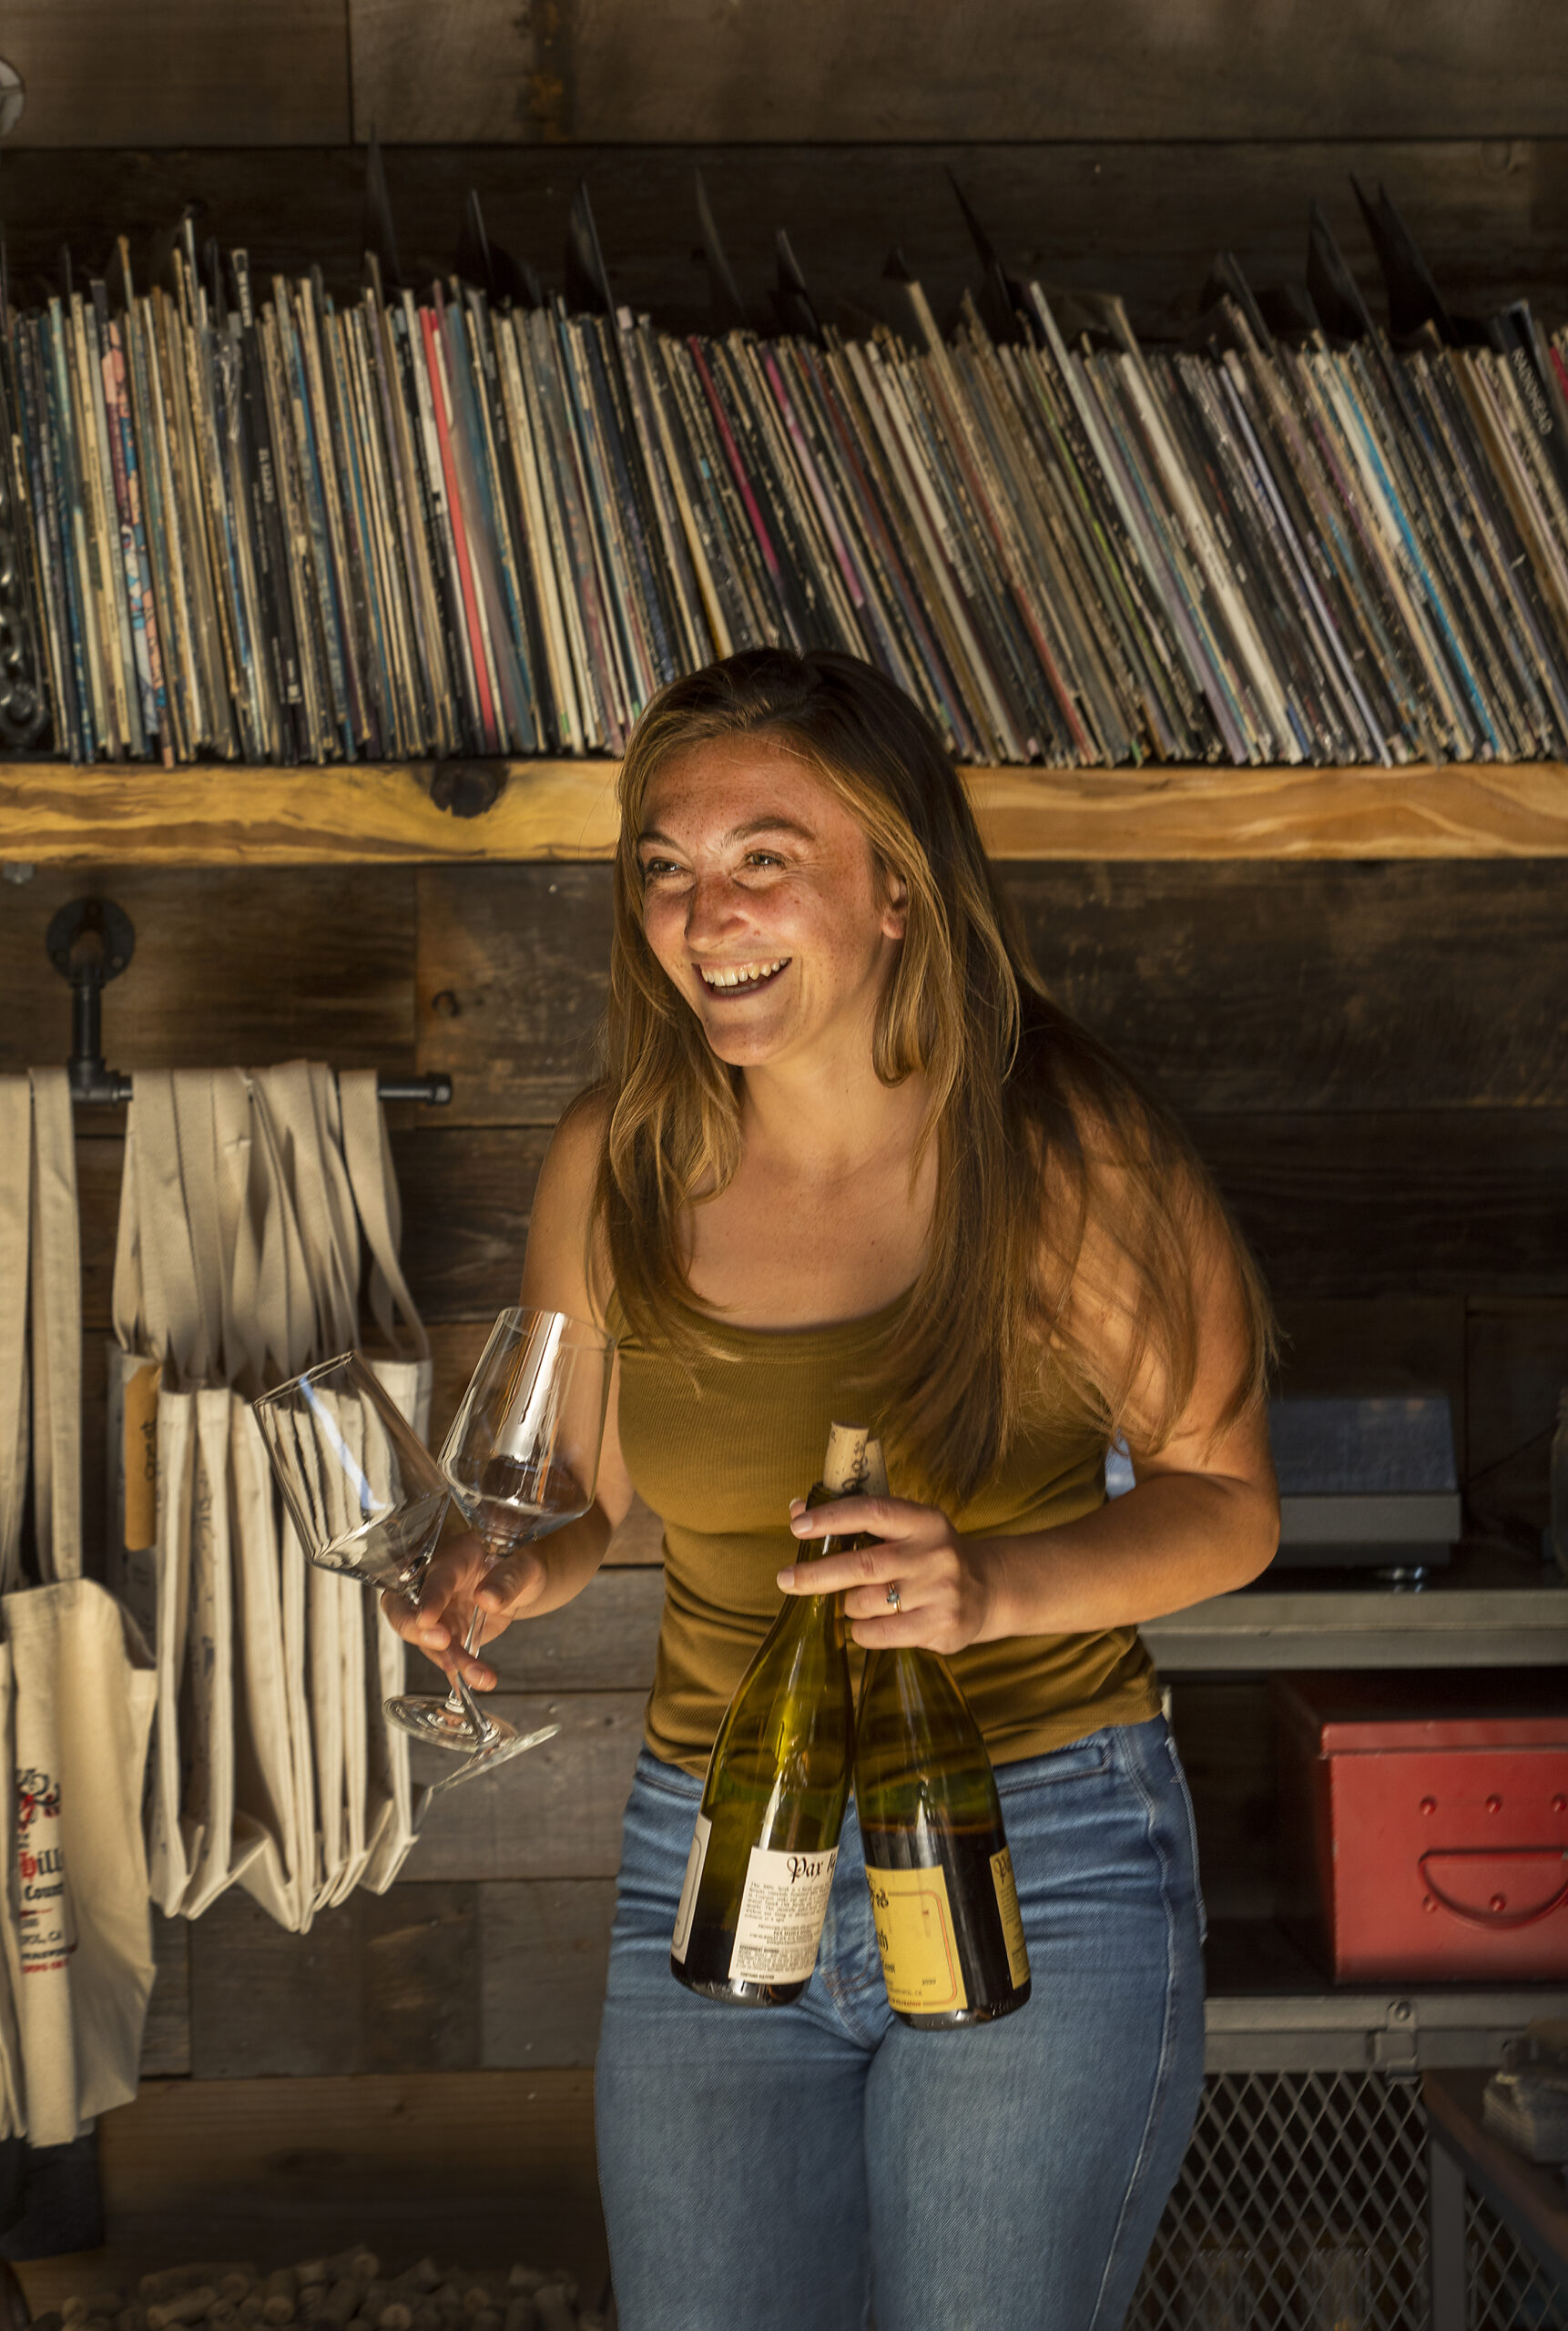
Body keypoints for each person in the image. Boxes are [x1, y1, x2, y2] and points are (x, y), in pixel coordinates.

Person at [388, 648, 1280, 2331]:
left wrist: (990, 1587)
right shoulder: (619, 1160)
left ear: (896, 887)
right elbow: (583, 1498)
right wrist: (509, 1574)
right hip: (716, 1849)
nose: (700, 912)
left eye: (760, 860)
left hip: (1038, 1843)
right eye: (663, 866)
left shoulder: (1064, 1155)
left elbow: (1225, 1502)